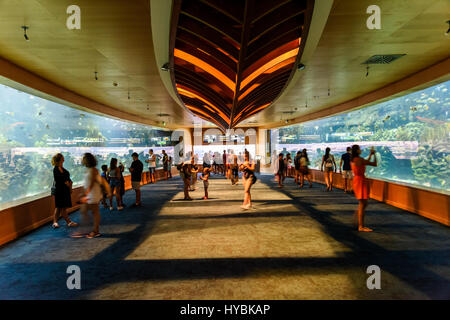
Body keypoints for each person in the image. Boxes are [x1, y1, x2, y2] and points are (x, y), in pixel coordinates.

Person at [73, 153, 103, 238]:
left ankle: (95, 231)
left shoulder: (93, 170)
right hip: (89, 193)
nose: (82, 160)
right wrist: (83, 193)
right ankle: (84, 230)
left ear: (87, 160)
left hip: (93, 194)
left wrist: (85, 193)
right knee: (84, 211)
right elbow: (86, 183)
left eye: (84, 158)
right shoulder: (88, 169)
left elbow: (92, 182)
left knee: (94, 212)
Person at [351, 145, 377, 232]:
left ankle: (359, 219)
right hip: (361, 181)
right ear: (357, 151)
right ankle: (361, 226)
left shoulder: (354, 160)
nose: (360, 150)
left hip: (357, 180)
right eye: (359, 149)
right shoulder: (360, 159)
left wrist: (370, 155)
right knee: (363, 203)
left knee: (363, 203)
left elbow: (365, 162)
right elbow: (374, 164)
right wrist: (374, 155)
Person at [51, 153, 78, 229]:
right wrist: (68, 184)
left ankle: (55, 222)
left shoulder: (62, 169)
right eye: (62, 158)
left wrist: (70, 186)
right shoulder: (56, 169)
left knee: (59, 207)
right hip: (60, 191)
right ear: (60, 159)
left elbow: (68, 179)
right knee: (61, 207)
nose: (64, 159)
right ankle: (68, 222)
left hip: (65, 190)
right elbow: (59, 180)